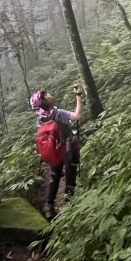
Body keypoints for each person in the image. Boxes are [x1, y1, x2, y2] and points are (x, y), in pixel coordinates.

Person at [30, 84, 83, 220]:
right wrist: (78, 95)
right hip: (67, 147)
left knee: (54, 177)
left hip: (54, 151)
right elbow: (76, 116)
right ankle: (70, 202)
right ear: (44, 101)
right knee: (71, 171)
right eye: (46, 95)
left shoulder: (40, 119)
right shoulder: (57, 113)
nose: (49, 94)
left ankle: (48, 205)